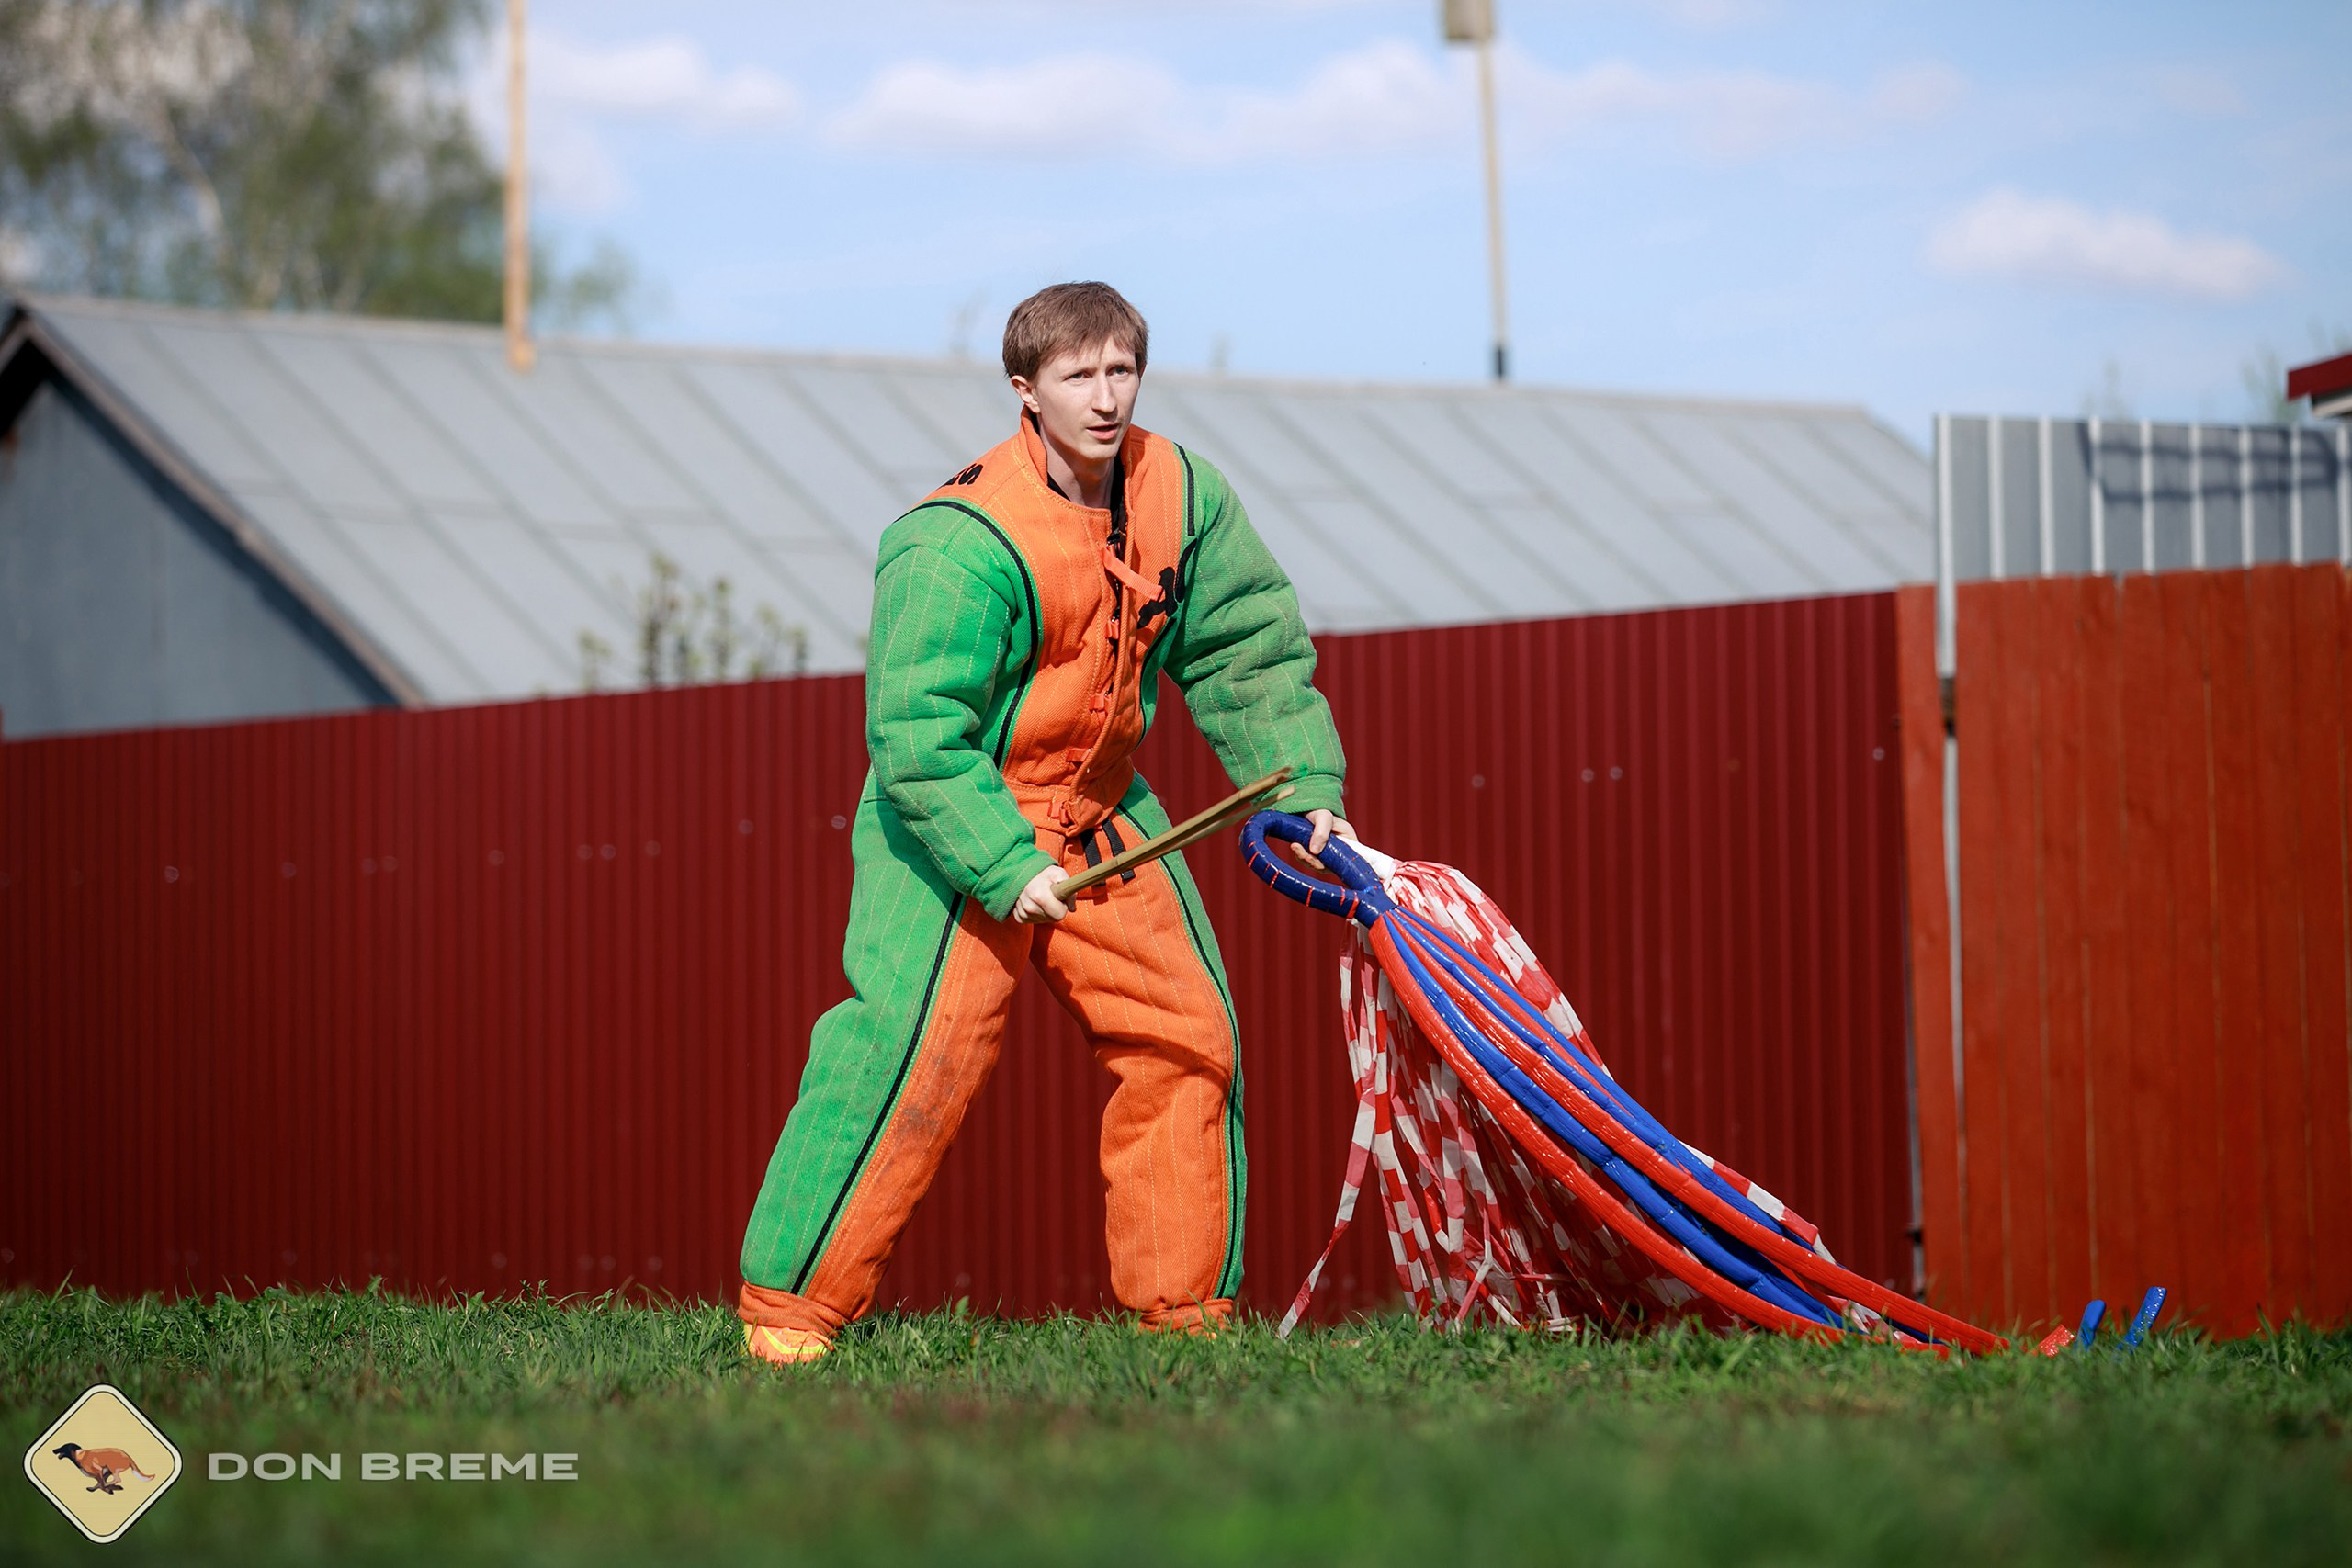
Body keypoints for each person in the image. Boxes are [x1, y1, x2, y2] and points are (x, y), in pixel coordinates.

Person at [737, 282, 1353, 1364]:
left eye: (1122, 371)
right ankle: (790, 1317)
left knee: (1187, 1039)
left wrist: (1300, 789)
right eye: (1078, 375)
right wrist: (1002, 861)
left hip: (1103, 804)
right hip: (956, 815)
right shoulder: (953, 541)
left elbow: (1245, 644)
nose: (1105, 397)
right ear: (1025, 390)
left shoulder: (1183, 493)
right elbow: (918, 737)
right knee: (913, 1055)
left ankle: (1182, 1327)